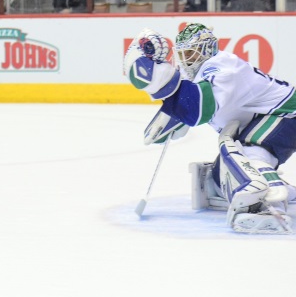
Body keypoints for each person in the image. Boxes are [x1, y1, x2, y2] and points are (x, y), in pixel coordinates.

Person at [123, 24, 296, 234]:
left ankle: (271, 206)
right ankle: (288, 193)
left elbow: (198, 108)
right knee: (221, 174)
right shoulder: (200, 73)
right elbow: (186, 106)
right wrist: (169, 117)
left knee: (250, 151)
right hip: (268, 118)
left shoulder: (223, 67)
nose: (186, 60)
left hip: (288, 114)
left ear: (206, 49)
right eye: (183, 54)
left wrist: (156, 81)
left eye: (191, 53)